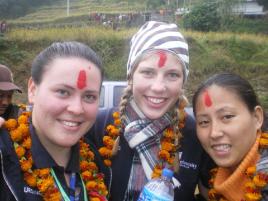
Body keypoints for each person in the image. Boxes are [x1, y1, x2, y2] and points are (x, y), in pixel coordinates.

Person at [87, 21, 213, 201]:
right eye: (148, 72)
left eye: (172, 75)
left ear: (183, 81)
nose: (159, 87)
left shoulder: (194, 134)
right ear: (131, 75)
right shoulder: (99, 125)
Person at [0, 41, 111, 201]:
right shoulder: (5, 157)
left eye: (89, 96)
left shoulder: (96, 161)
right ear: (32, 90)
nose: (77, 109)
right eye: (63, 92)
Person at [192, 73, 268, 201]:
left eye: (227, 117)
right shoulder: (209, 168)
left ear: (257, 118)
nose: (214, 133)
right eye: (204, 122)